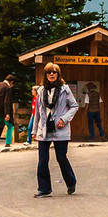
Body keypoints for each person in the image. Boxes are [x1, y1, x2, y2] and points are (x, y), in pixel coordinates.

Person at [34, 62, 79, 197]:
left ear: (58, 75)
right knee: (42, 160)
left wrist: (64, 119)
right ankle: (44, 188)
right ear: (45, 75)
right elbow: (38, 111)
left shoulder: (65, 90)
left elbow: (74, 106)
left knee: (61, 158)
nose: (52, 74)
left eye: (54, 72)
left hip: (60, 129)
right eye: (49, 72)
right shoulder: (41, 91)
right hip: (44, 129)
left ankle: (71, 182)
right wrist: (34, 131)